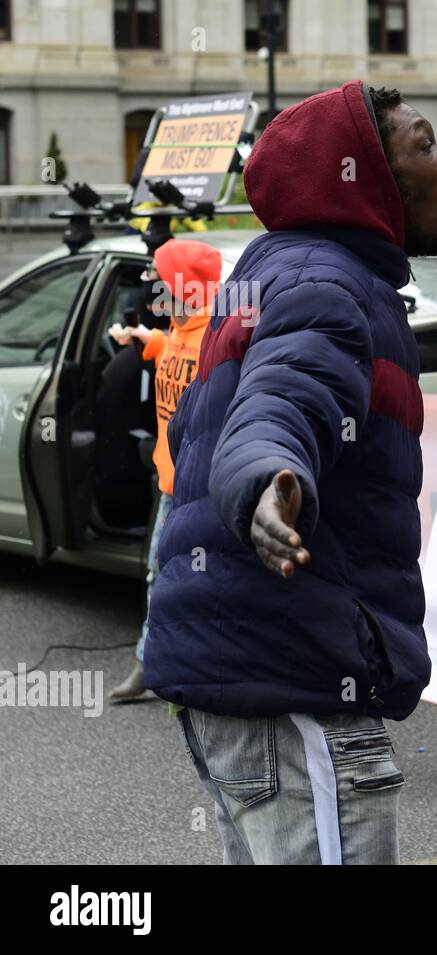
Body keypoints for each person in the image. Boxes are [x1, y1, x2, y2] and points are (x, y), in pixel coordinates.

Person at [143, 81, 437, 864]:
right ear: (366, 177)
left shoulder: (281, 269)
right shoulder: (327, 283)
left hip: (248, 672)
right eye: (425, 146)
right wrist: (270, 477)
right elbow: (281, 399)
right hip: (293, 680)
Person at [107, 240, 221, 702]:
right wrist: (147, 341)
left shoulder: (214, 338)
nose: (155, 286)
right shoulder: (180, 325)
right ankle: (155, 663)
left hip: (200, 488)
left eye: (163, 278)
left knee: (195, 578)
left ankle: (181, 668)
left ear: (184, 287)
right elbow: (173, 350)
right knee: (164, 576)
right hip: (171, 479)